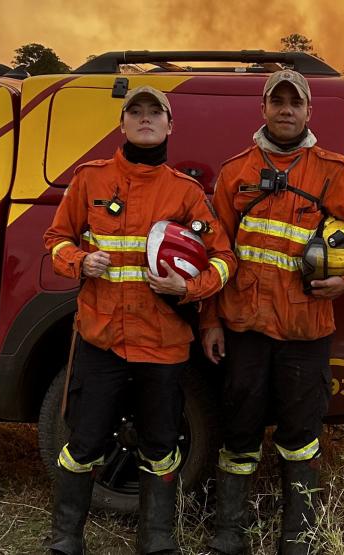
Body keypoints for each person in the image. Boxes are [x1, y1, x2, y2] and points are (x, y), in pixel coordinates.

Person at [200, 69, 344, 555]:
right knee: (239, 434)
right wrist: (209, 320)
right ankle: (229, 533)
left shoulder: (333, 170)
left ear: (309, 111)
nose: (286, 110)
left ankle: (300, 535)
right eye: (277, 101)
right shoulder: (236, 172)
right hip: (244, 328)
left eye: (295, 102)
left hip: (306, 332)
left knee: (301, 437)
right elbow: (216, 252)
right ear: (263, 108)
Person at [43, 85, 236, 555]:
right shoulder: (89, 180)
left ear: (170, 126)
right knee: (83, 441)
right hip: (101, 336)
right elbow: (55, 240)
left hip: (163, 342)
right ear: (122, 124)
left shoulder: (186, 192)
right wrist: (78, 261)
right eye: (137, 112)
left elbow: (224, 258)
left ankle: (156, 538)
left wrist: (187, 289)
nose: (145, 120)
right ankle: (66, 537)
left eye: (156, 113)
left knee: (161, 441)